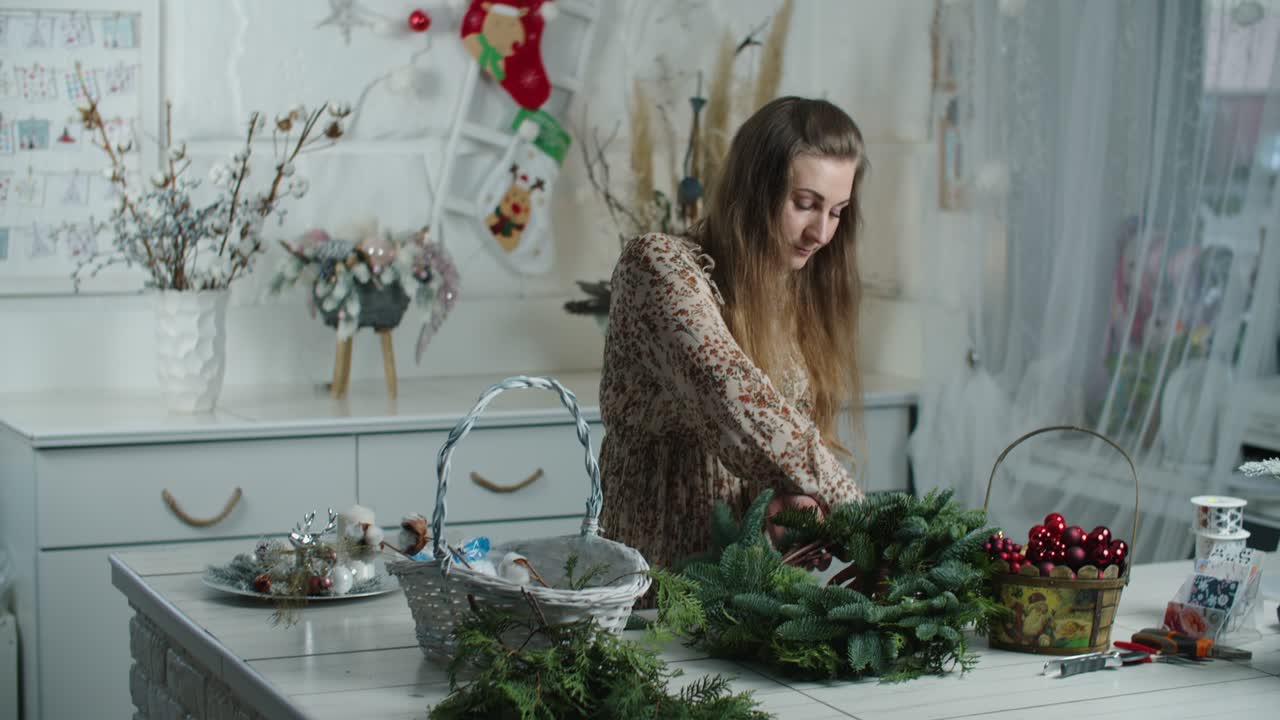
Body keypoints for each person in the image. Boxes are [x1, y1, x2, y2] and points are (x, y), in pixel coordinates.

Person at [598, 96, 869, 576]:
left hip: (753, 600)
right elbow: (738, 405)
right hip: (655, 597)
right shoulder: (658, 268)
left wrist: (798, 504)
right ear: (753, 188)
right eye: (805, 204)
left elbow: (783, 456)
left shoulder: (794, 291)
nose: (822, 232)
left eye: (837, 211)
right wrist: (867, 523)